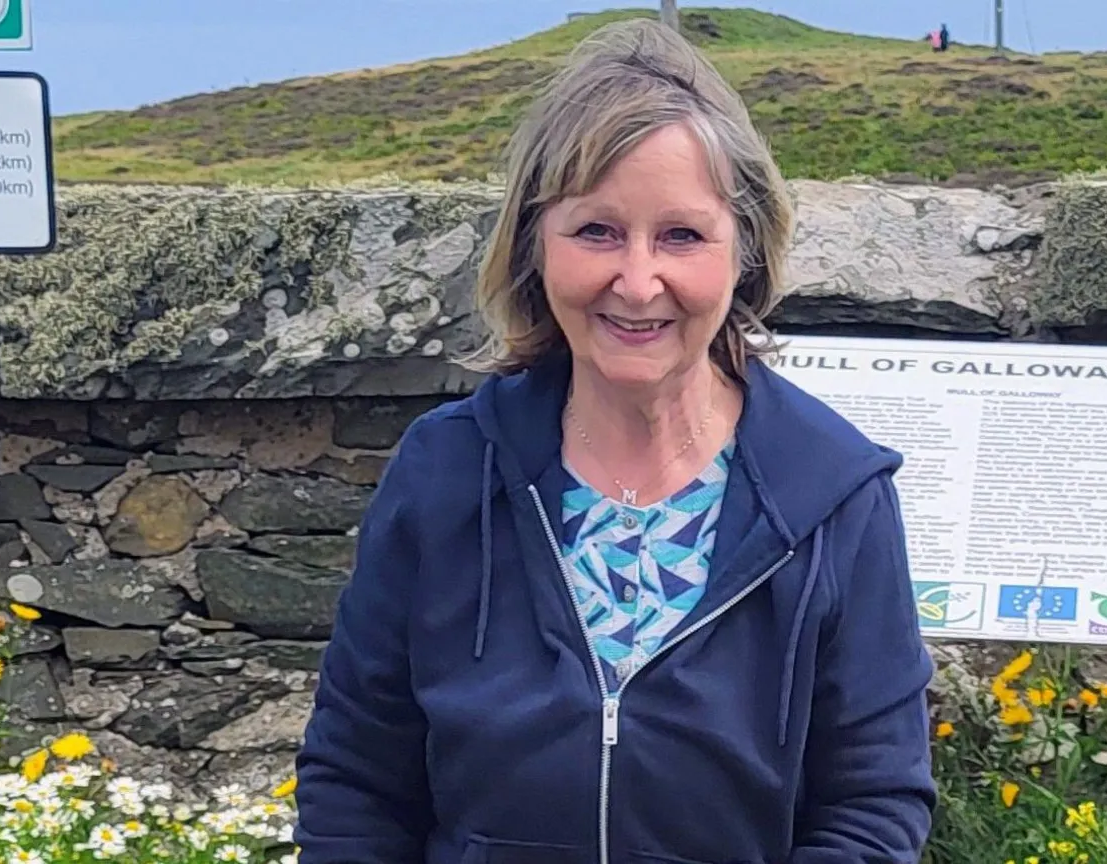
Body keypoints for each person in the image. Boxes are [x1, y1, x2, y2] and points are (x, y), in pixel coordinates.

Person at [292, 17, 936, 864]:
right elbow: (356, 778)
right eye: (596, 231)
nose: (638, 283)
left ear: (742, 251)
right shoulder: (445, 470)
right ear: (534, 246)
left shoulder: (836, 493)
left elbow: (871, 804)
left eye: (681, 235)